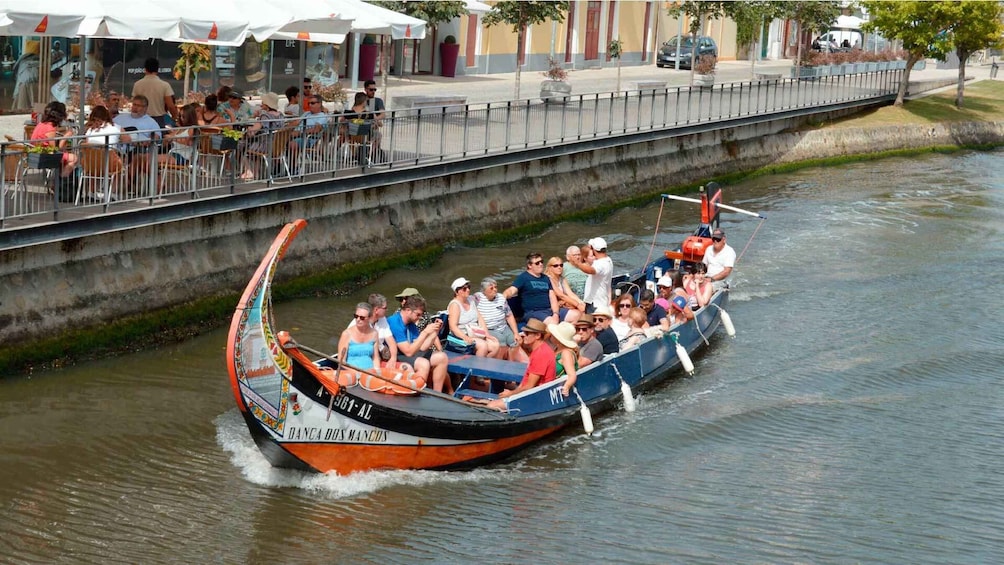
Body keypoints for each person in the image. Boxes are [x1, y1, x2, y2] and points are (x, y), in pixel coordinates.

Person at [386, 295, 452, 393]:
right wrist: (425, 332)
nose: (420, 317)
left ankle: (436, 394)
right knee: (423, 363)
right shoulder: (395, 322)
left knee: (442, 357)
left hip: (409, 355)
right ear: (408, 310)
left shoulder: (411, 324)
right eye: (418, 314)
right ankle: (418, 393)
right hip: (397, 356)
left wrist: (435, 332)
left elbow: (422, 347)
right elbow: (408, 352)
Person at [490, 319, 556, 408]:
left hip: (536, 398)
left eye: (527, 333)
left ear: (537, 335)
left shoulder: (541, 354)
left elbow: (529, 386)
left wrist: (510, 394)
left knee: (492, 405)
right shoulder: (541, 349)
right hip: (533, 394)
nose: (523, 335)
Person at [474, 277, 526, 362]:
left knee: (516, 342)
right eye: (491, 288)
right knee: (501, 342)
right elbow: (466, 302)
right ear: (484, 291)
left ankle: (511, 363)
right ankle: (499, 364)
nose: (495, 290)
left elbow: (509, 316)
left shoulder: (501, 298)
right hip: (489, 328)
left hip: (503, 327)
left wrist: (516, 333)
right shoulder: (478, 298)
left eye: (496, 287)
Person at [446, 277, 499, 357]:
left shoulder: (471, 300)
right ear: (457, 292)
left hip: (475, 333)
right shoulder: (455, 305)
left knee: (495, 345)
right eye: (464, 289)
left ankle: (484, 364)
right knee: (482, 345)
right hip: (460, 336)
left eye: (468, 287)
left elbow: (480, 318)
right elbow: (453, 326)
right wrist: (465, 337)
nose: (468, 290)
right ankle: (478, 366)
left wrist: (486, 334)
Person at [502, 252, 560, 325]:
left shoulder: (546, 278)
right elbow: (511, 290)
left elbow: (552, 298)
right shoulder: (523, 277)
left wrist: (556, 314)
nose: (541, 264)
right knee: (553, 323)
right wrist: (504, 296)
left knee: (575, 315)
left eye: (541, 262)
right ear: (529, 265)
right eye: (537, 263)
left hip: (549, 311)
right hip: (533, 313)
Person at [30, 101, 79, 178]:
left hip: (34, 155)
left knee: (65, 159)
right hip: (45, 157)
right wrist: (66, 136)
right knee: (74, 158)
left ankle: (58, 182)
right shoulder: (50, 127)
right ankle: (62, 180)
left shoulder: (41, 124)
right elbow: (55, 149)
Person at [132, 58, 178, 127]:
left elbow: (134, 104)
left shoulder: (137, 84)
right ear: (157, 69)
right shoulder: (164, 85)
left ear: (145, 69)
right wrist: (174, 118)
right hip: (159, 119)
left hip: (141, 118)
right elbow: (170, 106)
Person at [570, 237, 612, 312]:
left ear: (593, 249)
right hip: (599, 301)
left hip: (596, 303)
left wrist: (578, 263)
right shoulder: (608, 260)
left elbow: (591, 270)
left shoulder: (600, 263)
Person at [289, 94, 329, 163]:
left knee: (292, 144)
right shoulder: (306, 113)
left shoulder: (323, 117)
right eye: (309, 103)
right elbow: (296, 122)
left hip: (308, 139)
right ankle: (276, 165)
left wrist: (300, 133)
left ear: (319, 104)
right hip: (293, 135)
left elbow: (316, 130)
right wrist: (285, 129)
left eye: (312, 103)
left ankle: (293, 168)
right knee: (275, 140)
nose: (310, 105)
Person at [544, 256, 583, 324]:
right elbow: (560, 295)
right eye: (556, 266)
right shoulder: (548, 279)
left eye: (561, 265)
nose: (559, 267)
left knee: (582, 311)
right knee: (577, 314)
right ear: (550, 267)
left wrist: (581, 303)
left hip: (562, 305)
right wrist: (577, 305)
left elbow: (570, 293)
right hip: (552, 308)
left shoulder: (562, 279)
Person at [159, 104, 200, 168]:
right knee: (145, 157)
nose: (181, 118)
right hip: (172, 153)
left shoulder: (193, 128)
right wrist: (166, 140)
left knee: (151, 158)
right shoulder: (179, 129)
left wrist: (173, 138)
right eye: (180, 116)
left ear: (190, 117)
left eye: (183, 116)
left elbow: (188, 142)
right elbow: (168, 137)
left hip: (182, 157)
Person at [546, 321, 579, 397]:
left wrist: (566, 387)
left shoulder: (566, 353)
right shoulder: (557, 349)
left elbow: (572, 375)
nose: (551, 335)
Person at [363, 79, 386, 160]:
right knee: (377, 136)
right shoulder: (362, 100)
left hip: (371, 128)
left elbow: (383, 114)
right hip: (363, 127)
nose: (373, 91)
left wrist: (376, 119)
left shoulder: (377, 101)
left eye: (374, 89)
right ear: (366, 90)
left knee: (377, 135)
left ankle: (369, 155)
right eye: (371, 89)